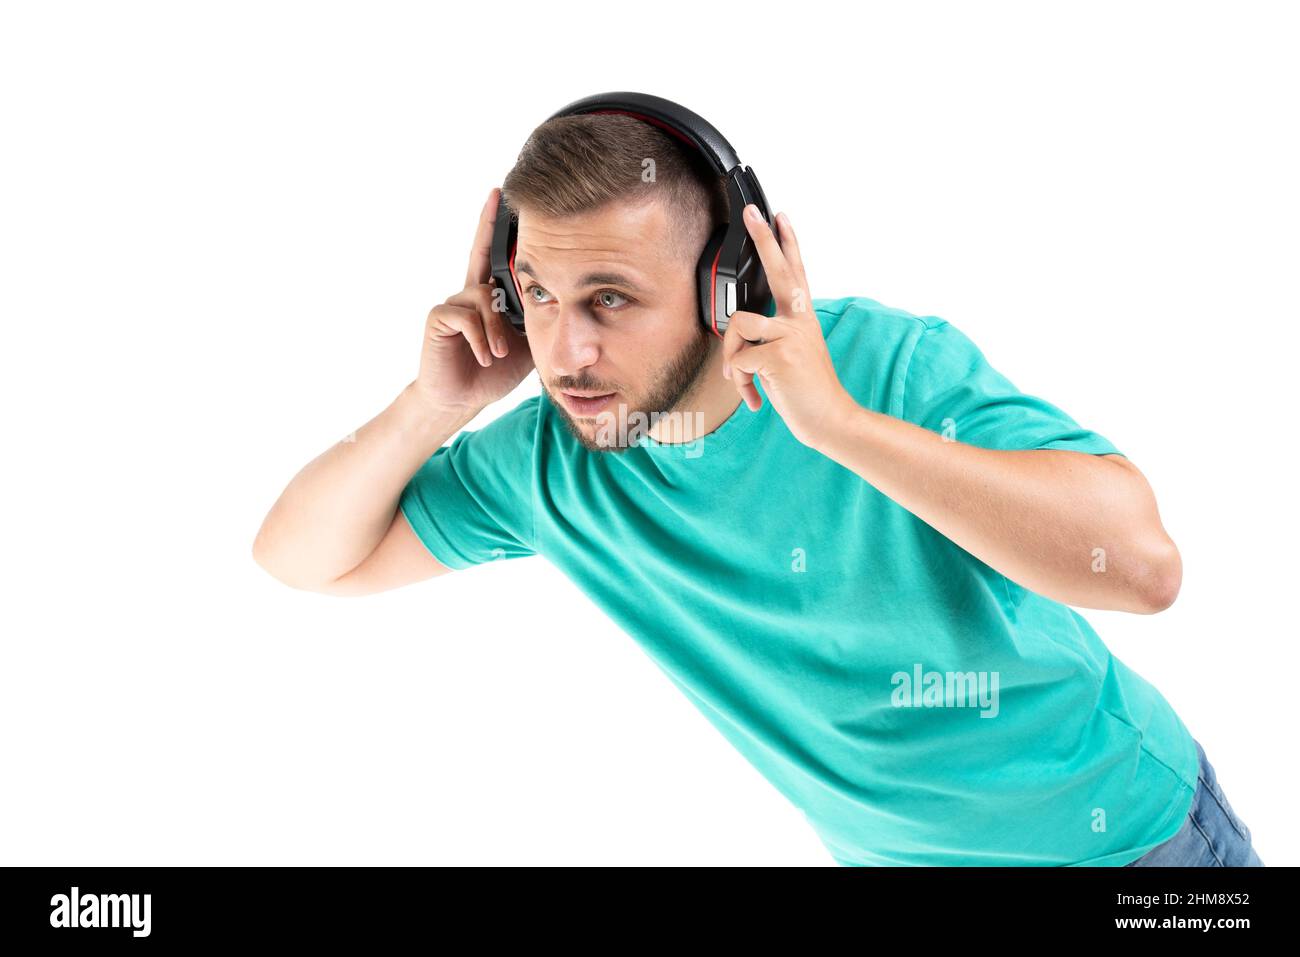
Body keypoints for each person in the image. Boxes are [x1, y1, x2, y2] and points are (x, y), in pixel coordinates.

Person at [253, 112, 1264, 866]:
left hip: (1127, 848)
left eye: (610, 298)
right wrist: (432, 407)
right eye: (541, 298)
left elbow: (1139, 570)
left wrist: (840, 428)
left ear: (724, 284)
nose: (567, 351)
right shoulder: (548, 460)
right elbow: (305, 560)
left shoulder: (877, 366)